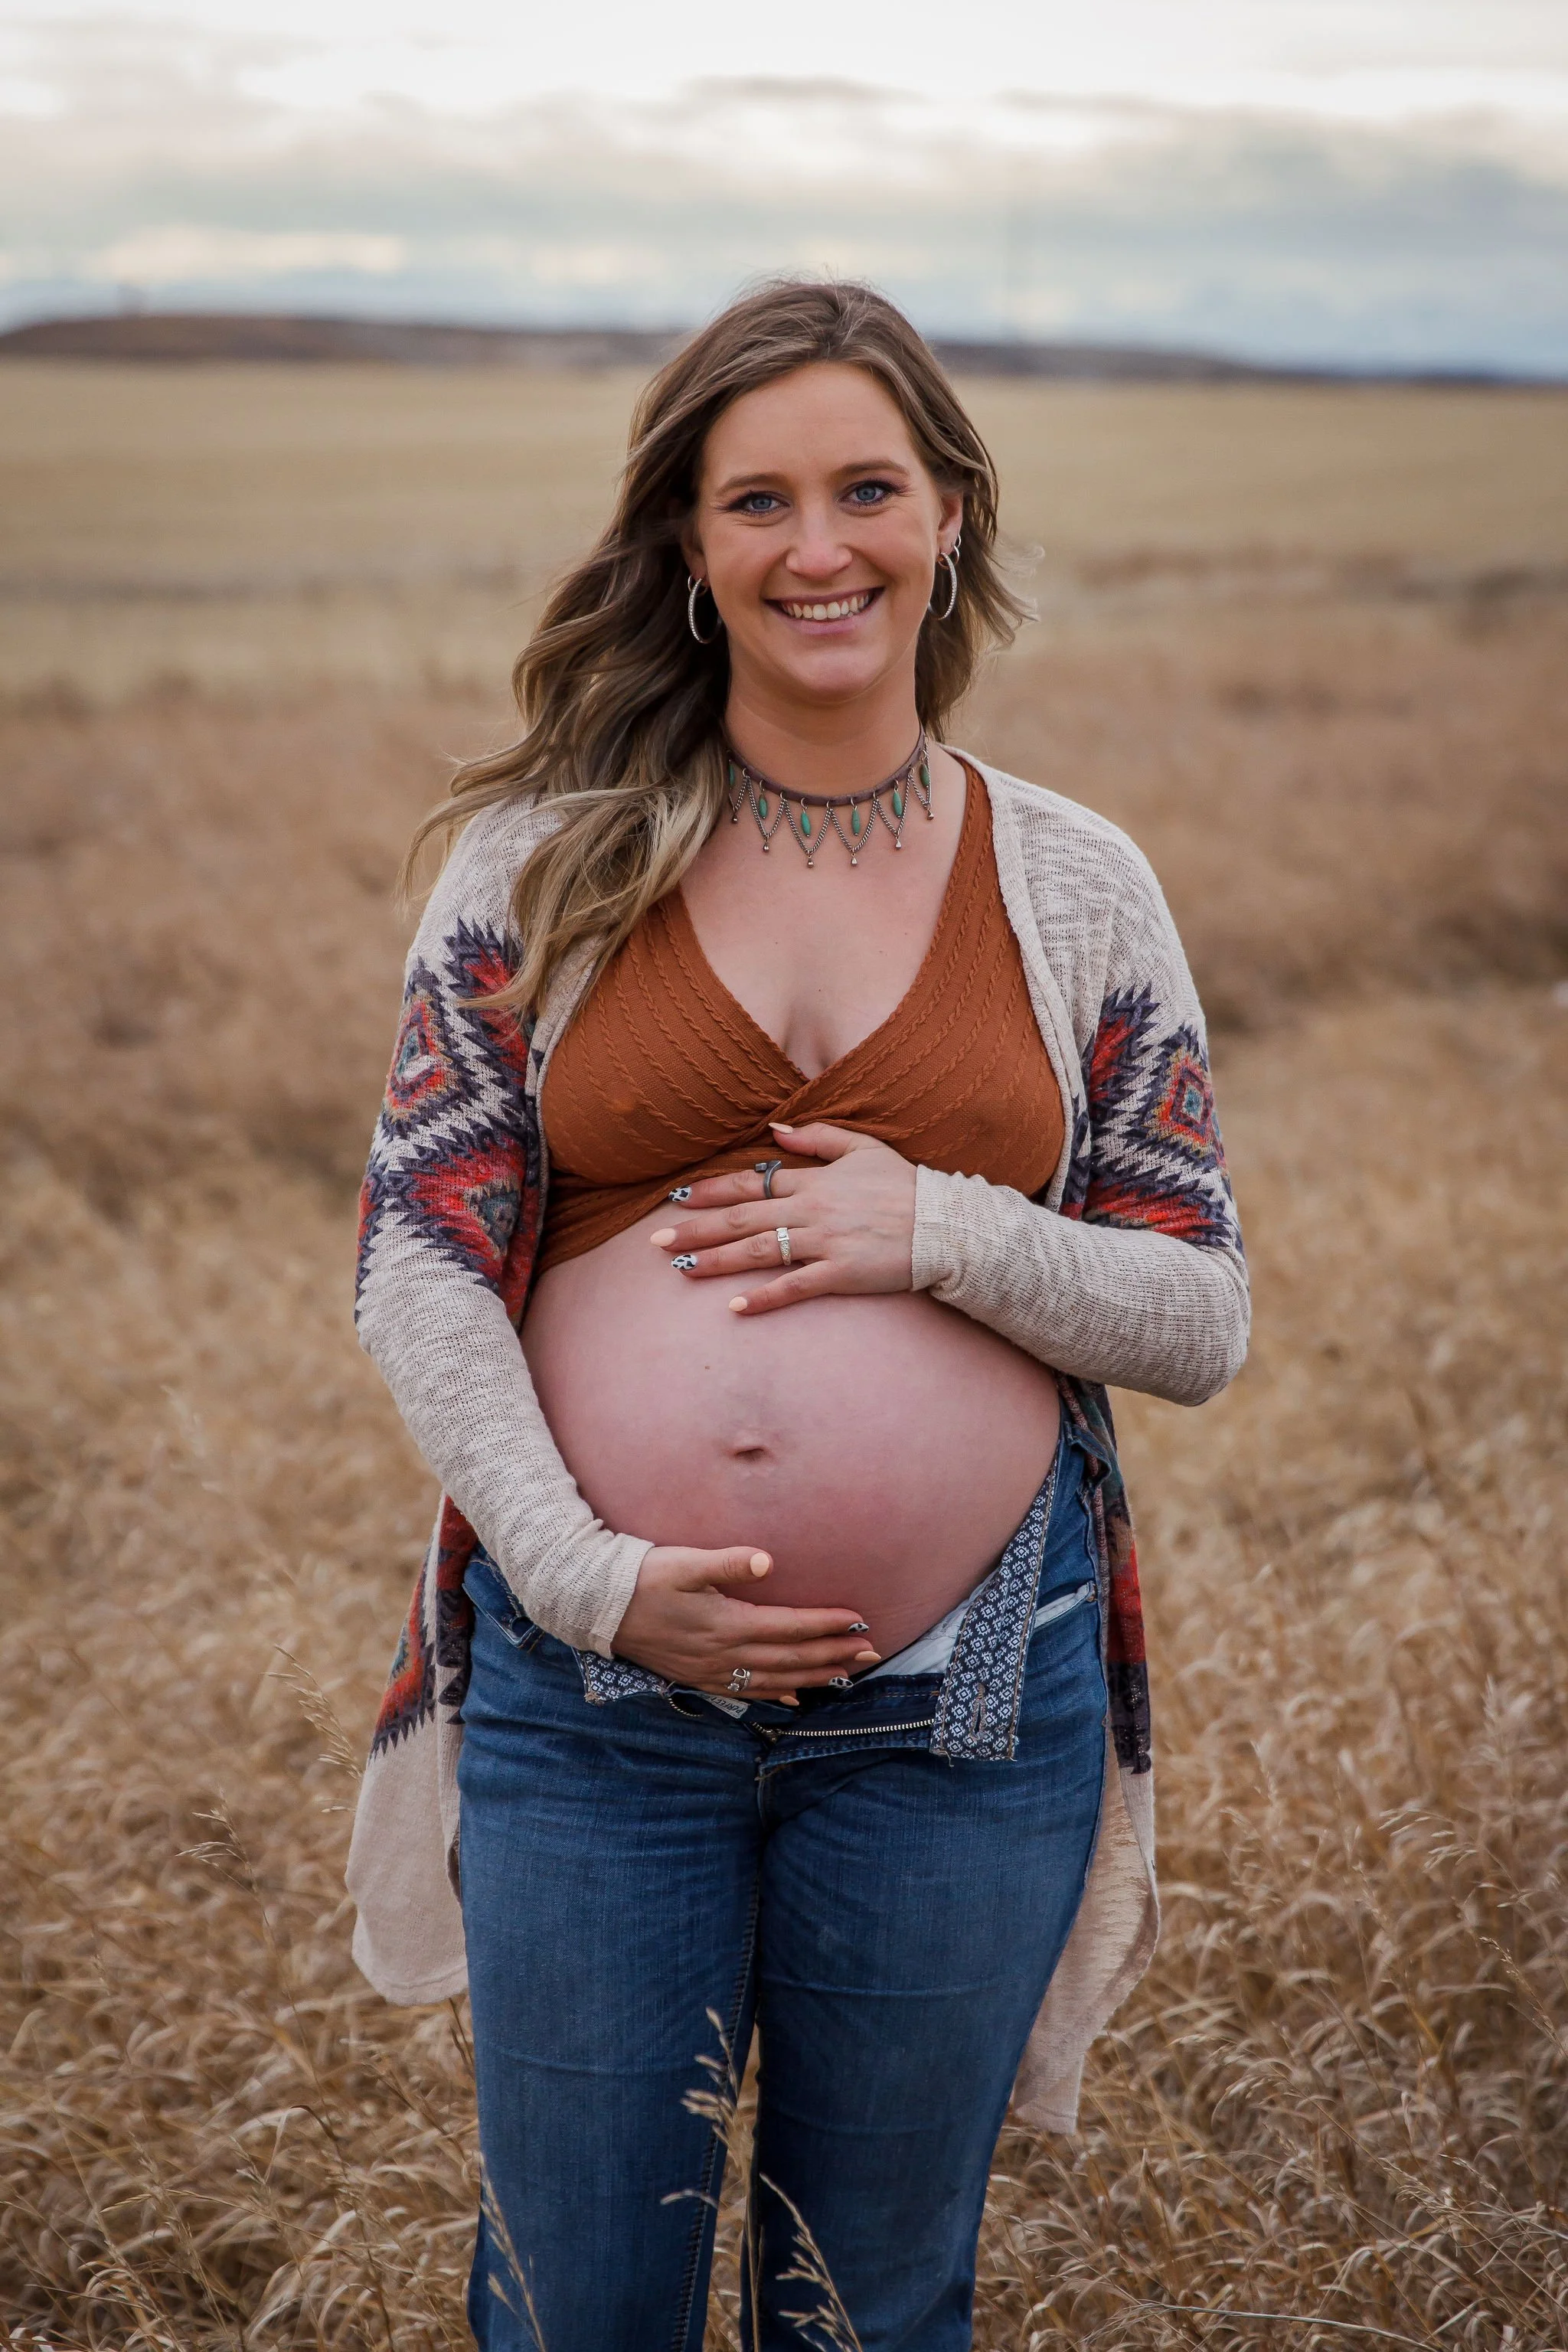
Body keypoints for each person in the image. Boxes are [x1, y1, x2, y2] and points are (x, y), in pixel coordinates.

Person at [345, 278, 1248, 2351]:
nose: (818, 545)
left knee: (872, 2307)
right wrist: (581, 1577)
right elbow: (417, 1255)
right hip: (598, 1706)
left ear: (949, 517)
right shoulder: (541, 867)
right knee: (586, 2308)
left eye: (868, 488)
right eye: (759, 499)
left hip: (959, 1716)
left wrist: (940, 1228)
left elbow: (1200, 1313)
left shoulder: (1080, 882)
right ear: (688, 544)